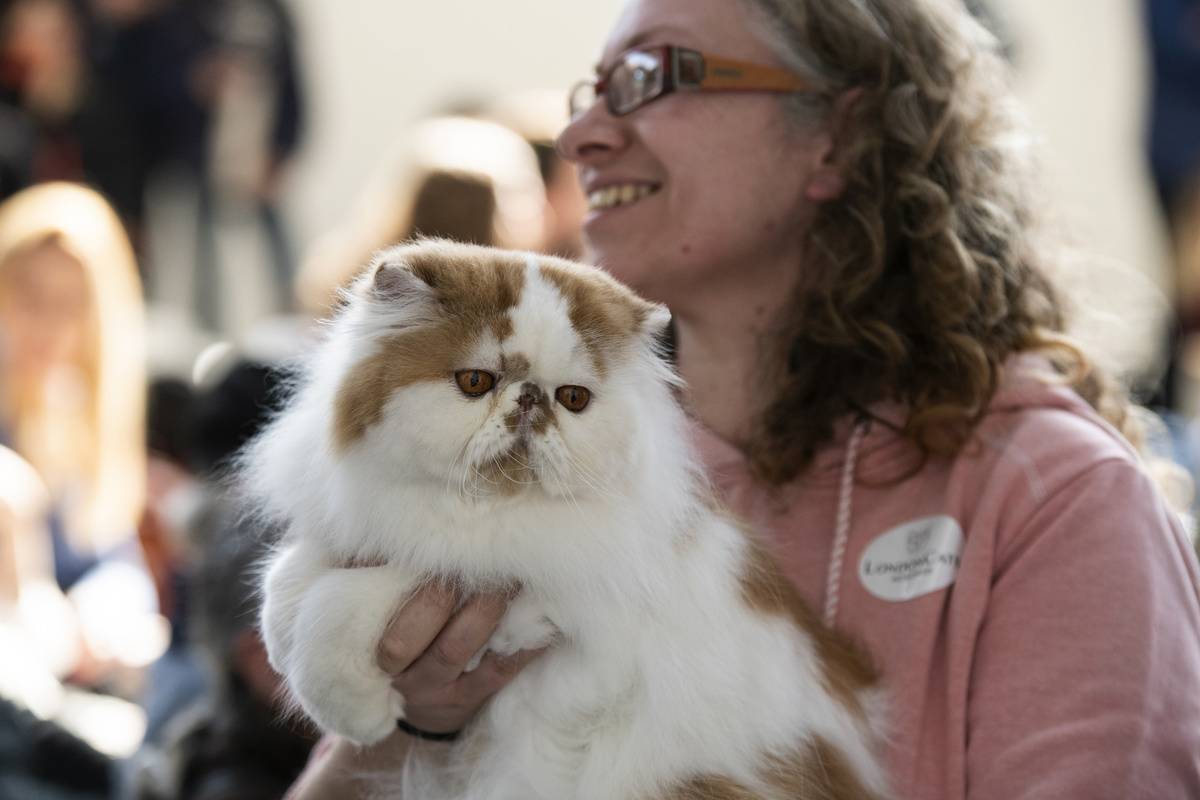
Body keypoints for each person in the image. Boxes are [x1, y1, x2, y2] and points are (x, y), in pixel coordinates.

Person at [288, 0, 1200, 797]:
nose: (582, 136)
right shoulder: (568, 463)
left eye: (653, 75)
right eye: (590, 91)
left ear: (835, 137)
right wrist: (419, 726)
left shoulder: (1058, 497)